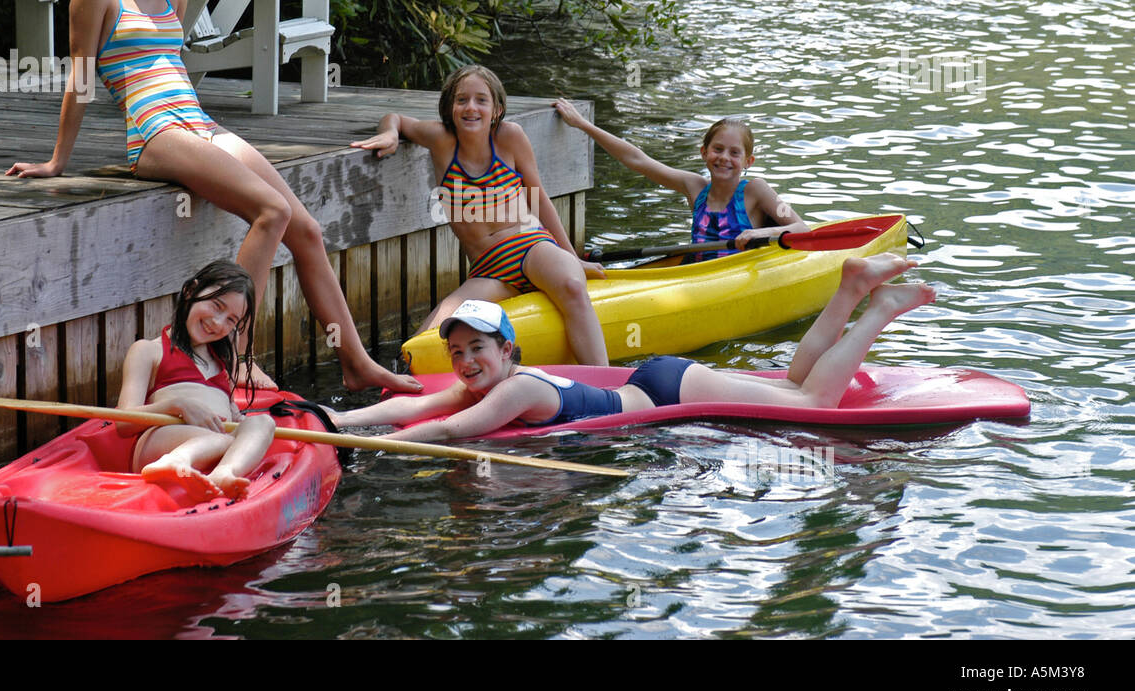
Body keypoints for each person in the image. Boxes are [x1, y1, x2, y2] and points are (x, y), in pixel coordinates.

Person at [5, 0, 418, 395]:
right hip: (154, 132)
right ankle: (236, 356)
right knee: (270, 210)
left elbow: (171, 61)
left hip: (198, 120)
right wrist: (57, 162)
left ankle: (357, 362)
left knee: (304, 227)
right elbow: (82, 79)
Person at [329, 253, 935, 442]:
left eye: (476, 349)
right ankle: (851, 288)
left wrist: (376, 449)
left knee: (815, 404)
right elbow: (415, 407)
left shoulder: (510, 388)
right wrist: (340, 419)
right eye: (457, 352)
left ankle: (875, 308)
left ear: (508, 351)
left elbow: (451, 431)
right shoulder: (493, 381)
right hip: (659, 381)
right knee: (789, 387)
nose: (463, 363)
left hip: (665, 391)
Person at [351, 66, 610, 364]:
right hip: (489, 270)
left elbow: (539, 200)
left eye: (481, 100)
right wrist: (389, 133)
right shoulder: (441, 140)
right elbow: (394, 118)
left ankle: (605, 389)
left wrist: (573, 257)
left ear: (497, 109)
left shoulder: (510, 137)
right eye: (462, 99)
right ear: (450, 107)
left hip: (532, 246)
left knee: (573, 287)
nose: (470, 107)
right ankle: (402, 398)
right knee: (421, 345)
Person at [553, 99, 807, 260]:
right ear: (704, 152)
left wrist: (761, 233)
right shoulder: (694, 187)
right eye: (717, 149)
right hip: (695, 277)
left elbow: (801, 229)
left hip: (739, 275)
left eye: (734, 153)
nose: (724, 158)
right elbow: (638, 160)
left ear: (747, 162)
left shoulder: (756, 190)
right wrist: (583, 124)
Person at [115, 260, 272, 500]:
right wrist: (176, 405)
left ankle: (223, 472)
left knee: (263, 424)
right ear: (190, 291)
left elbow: (227, 406)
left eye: (231, 320)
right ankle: (174, 461)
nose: (218, 323)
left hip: (216, 444)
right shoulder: (148, 351)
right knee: (220, 439)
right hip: (160, 442)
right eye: (216, 305)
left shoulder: (223, 356)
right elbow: (123, 423)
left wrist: (238, 418)